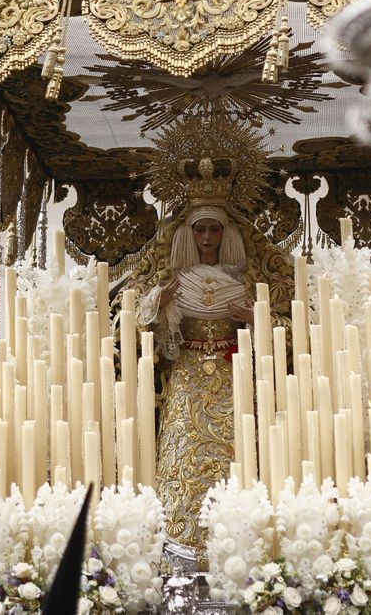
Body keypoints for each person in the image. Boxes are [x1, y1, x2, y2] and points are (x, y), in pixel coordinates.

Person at [139, 205, 253, 549]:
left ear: (225, 233)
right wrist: (160, 305)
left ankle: (235, 525)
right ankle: (179, 528)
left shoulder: (238, 283)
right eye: (199, 229)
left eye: (213, 230)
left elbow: (277, 331)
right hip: (187, 374)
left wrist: (253, 317)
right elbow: (144, 335)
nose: (206, 238)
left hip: (229, 373)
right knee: (183, 440)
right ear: (189, 233)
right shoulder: (175, 283)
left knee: (233, 443)